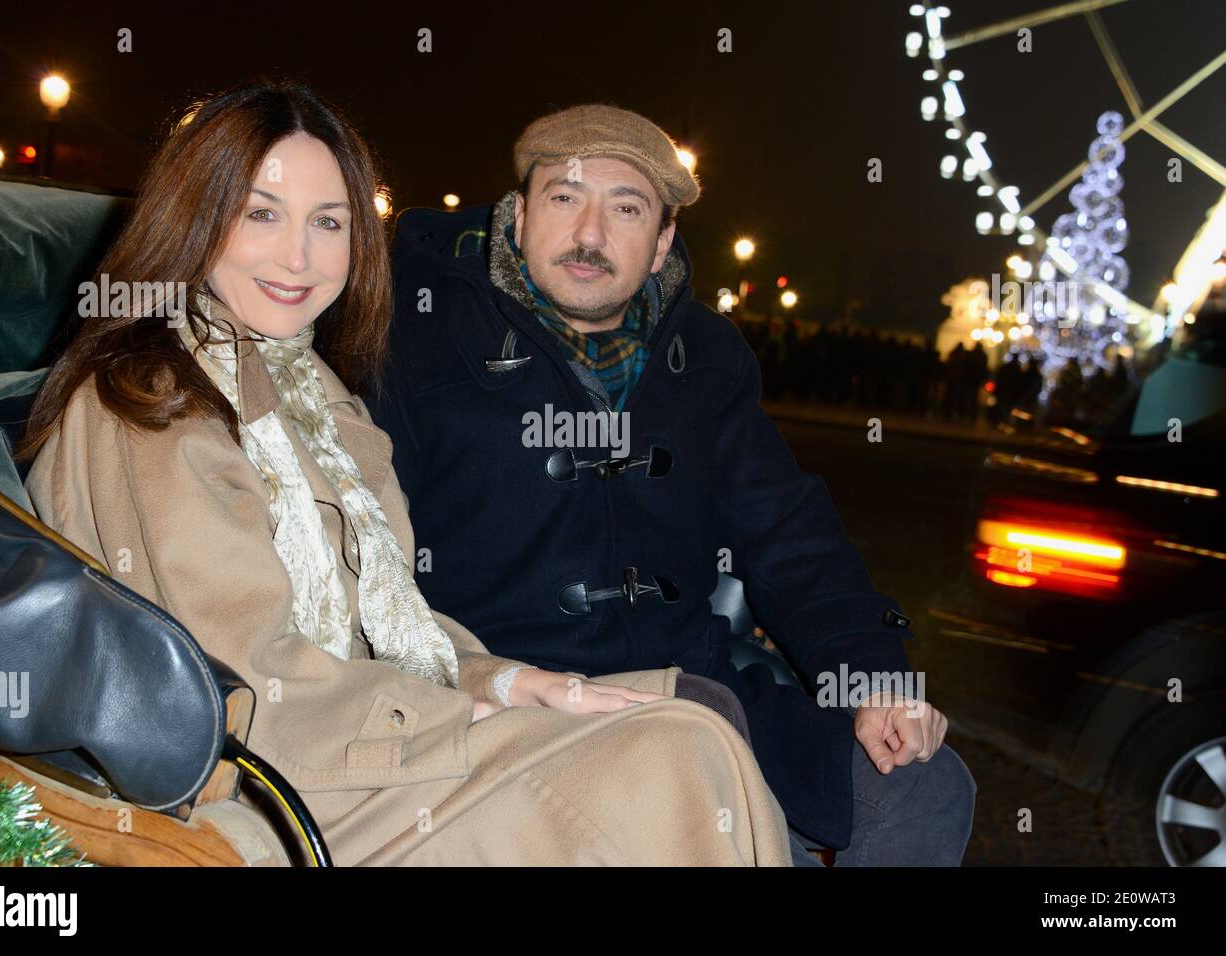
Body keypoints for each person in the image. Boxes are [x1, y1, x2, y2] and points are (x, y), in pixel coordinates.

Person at [16, 82, 792, 867]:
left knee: (697, 728)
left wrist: (513, 685)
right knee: (674, 759)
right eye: (261, 214)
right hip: (268, 787)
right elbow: (247, 689)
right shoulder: (148, 403)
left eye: (329, 223)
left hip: (356, 748)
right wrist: (467, 721)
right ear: (195, 217)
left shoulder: (316, 398)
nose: (299, 257)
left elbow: (393, 628)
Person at [371, 104, 976, 865]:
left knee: (920, 784)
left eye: (625, 210)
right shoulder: (417, 335)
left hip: (686, 683)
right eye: (565, 198)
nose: (591, 234)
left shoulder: (706, 358)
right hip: (500, 701)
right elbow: (363, 552)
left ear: (661, 244)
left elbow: (791, 535)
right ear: (519, 216)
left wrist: (874, 680)